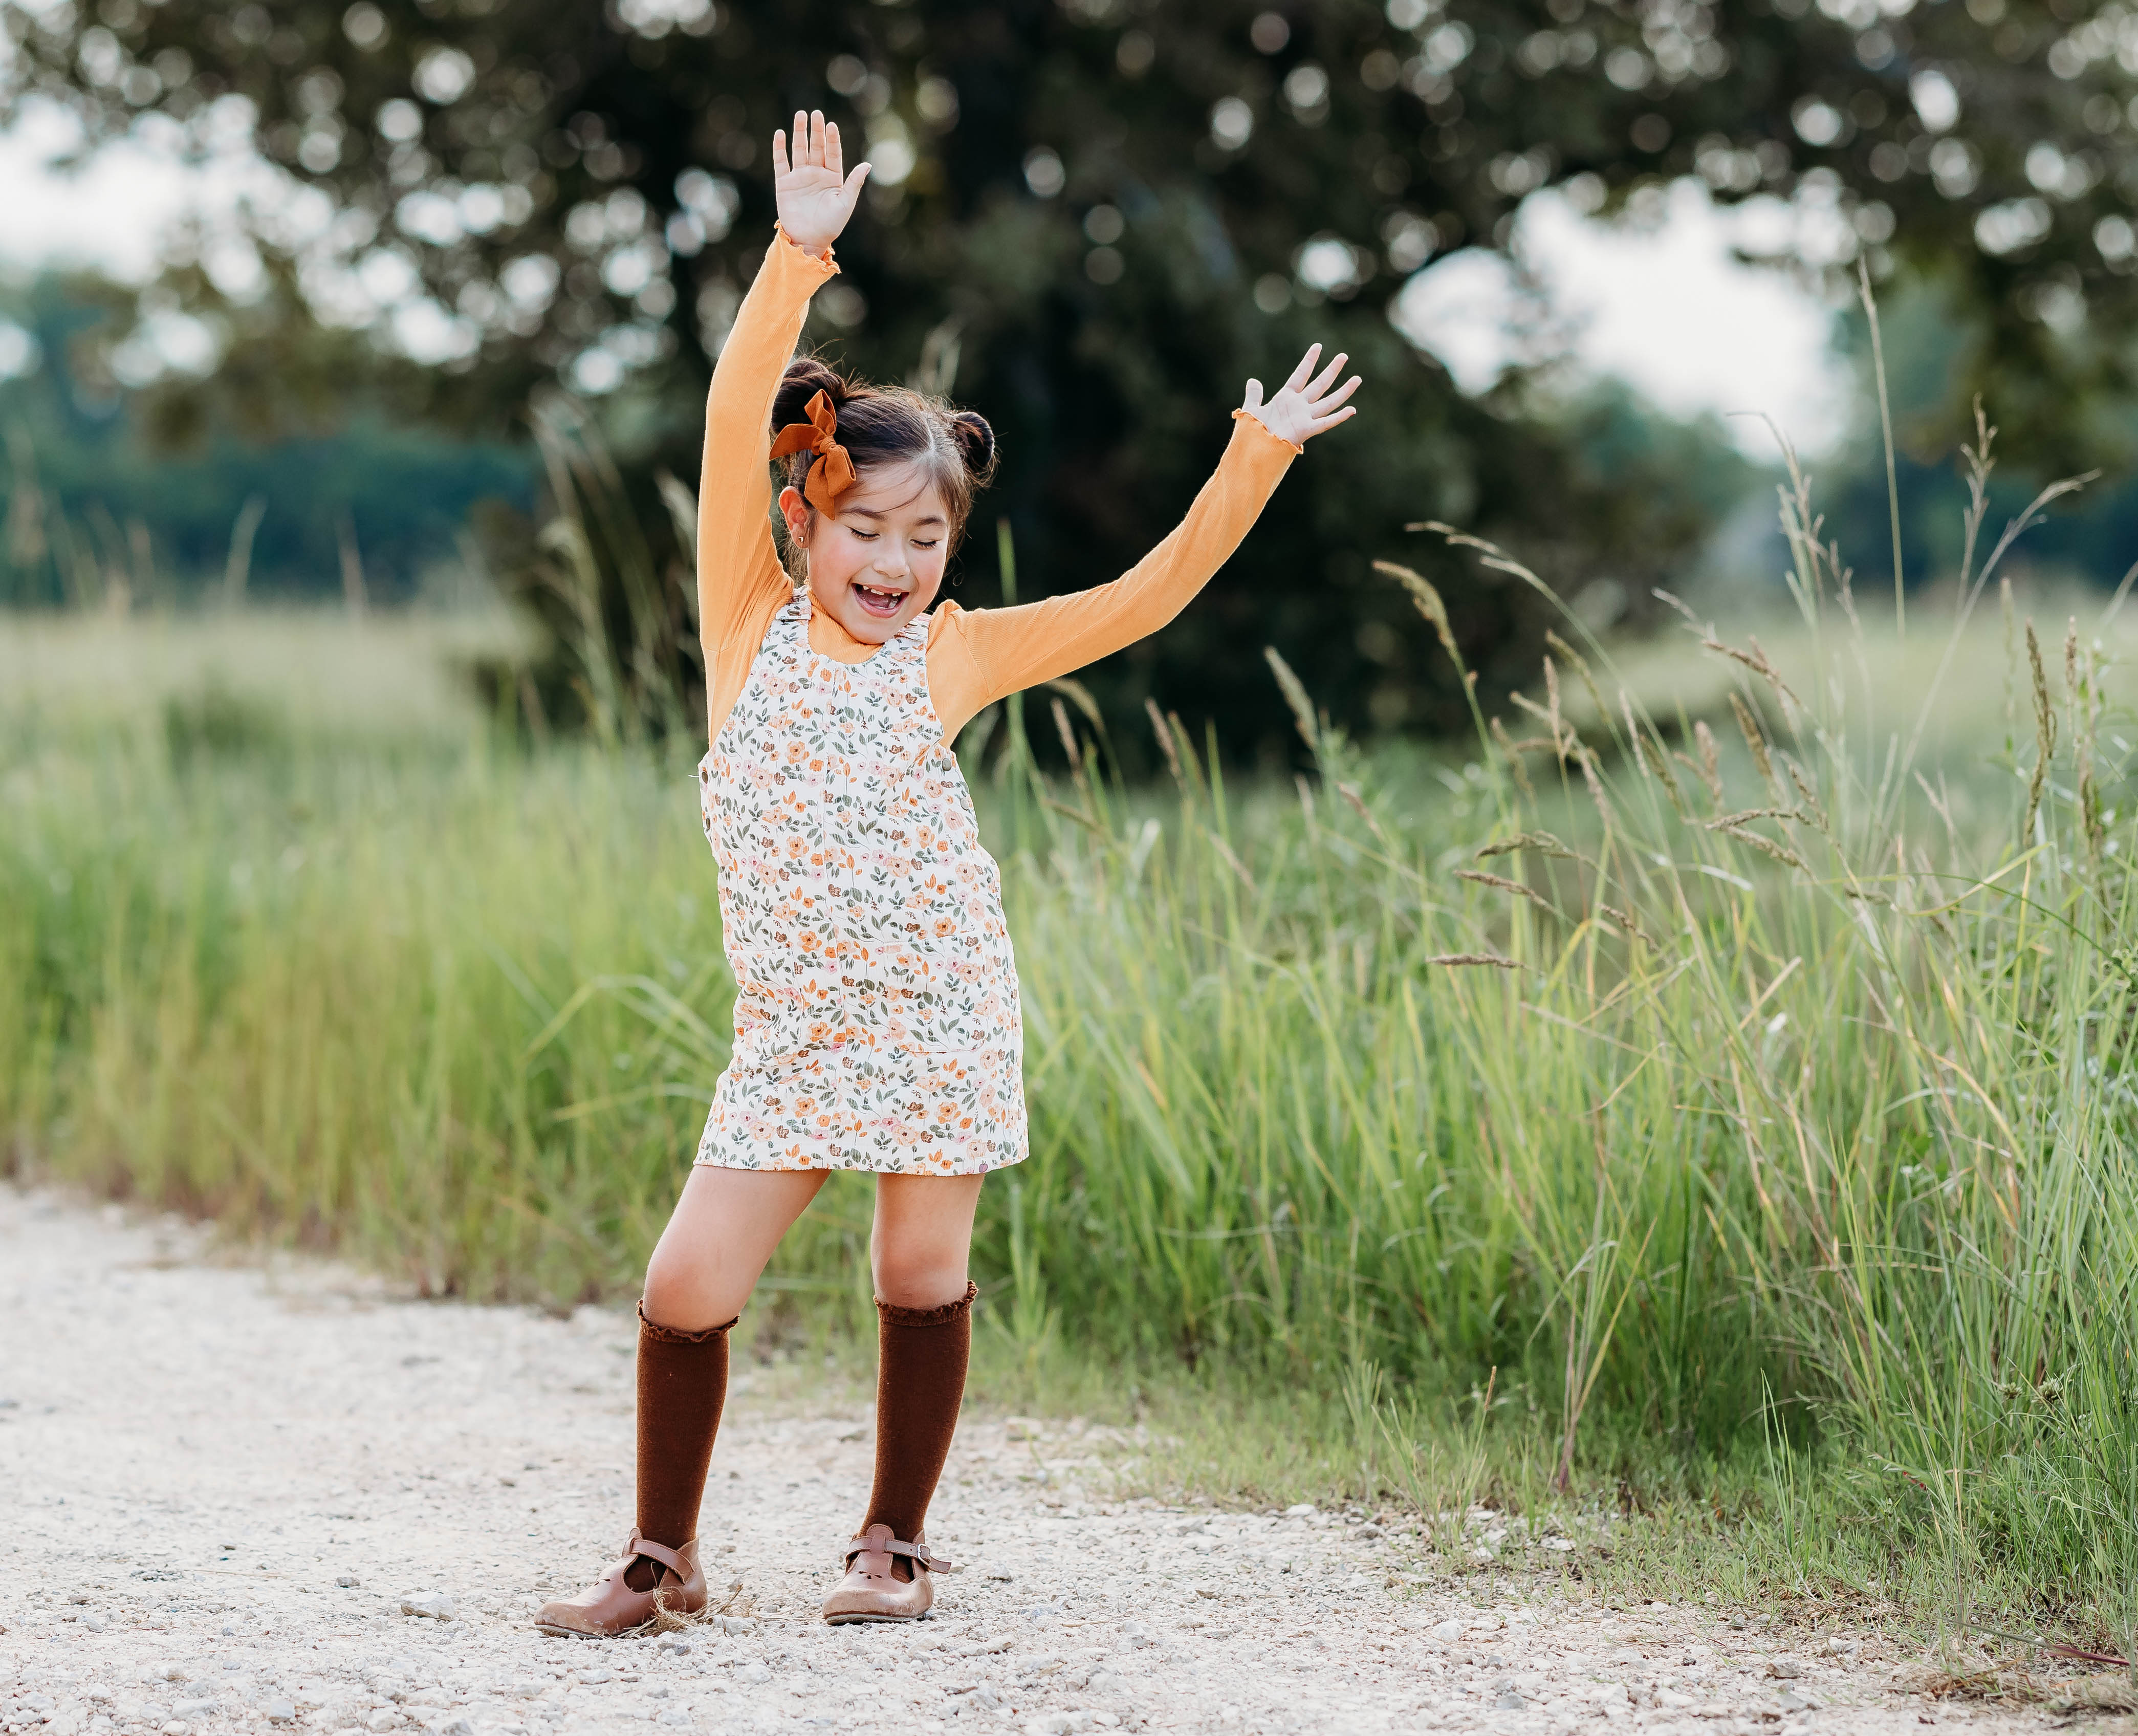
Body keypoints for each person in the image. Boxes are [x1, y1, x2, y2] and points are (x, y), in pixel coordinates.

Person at [534, 108, 1361, 1638]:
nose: (894, 562)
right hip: (793, 1033)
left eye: (924, 536)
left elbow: (1147, 591)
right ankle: (662, 1557)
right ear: (805, 518)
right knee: (684, 1287)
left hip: (938, 1013)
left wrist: (1256, 455)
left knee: (920, 1275)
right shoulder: (746, 628)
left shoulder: (955, 656)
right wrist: (798, 253)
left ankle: (893, 1543)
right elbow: (733, 413)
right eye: (865, 528)